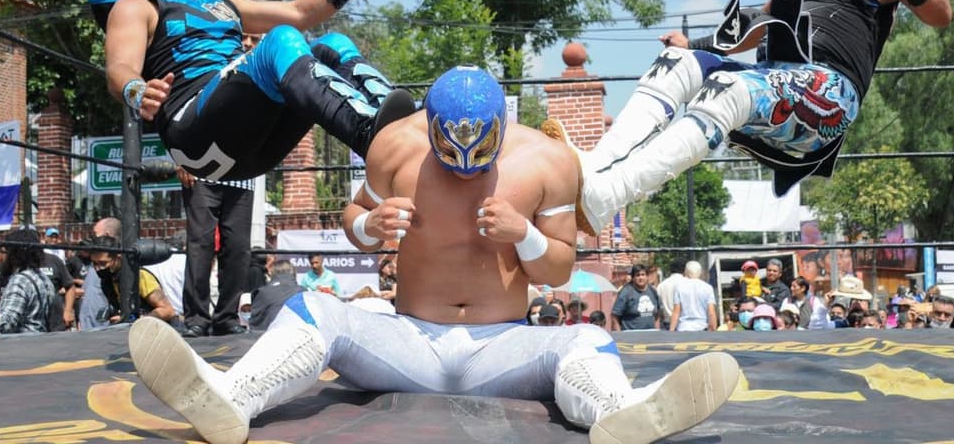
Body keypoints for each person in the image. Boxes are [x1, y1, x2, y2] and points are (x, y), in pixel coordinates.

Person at [129, 66, 739, 444]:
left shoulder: (546, 161)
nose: (468, 164)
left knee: (582, 341)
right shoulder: (396, 146)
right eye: (453, 149)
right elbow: (352, 226)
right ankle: (231, 398)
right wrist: (372, 222)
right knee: (313, 306)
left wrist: (523, 235)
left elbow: (555, 268)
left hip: (502, 347)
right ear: (431, 126)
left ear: (503, 124)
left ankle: (620, 411)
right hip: (408, 343)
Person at [545, 0, 952, 236]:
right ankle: (592, 168)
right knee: (675, 63)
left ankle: (608, 194)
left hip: (828, 93)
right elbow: (753, 25)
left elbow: (940, 14)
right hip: (775, 79)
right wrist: (693, 45)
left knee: (726, 89)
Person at [90, 0, 414, 184]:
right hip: (192, 131)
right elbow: (118, 68)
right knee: (280, 39)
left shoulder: (222, 0)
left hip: (252, 145)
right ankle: (371, 136)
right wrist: (136, 90)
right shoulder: (137, 4)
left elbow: (299, 13)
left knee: (333, 44)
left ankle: (407, 127)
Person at [178, 165, 253, 338]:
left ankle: (227, 318)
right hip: (201, 170)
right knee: (200, 245)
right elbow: (177, 135)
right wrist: (181, 160)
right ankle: (196, 319)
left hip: (243, 175)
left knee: (238, 247)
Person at [91, 238, 177, 324]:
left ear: (118, 257)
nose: (98, 268)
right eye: (94, 263)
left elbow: (167, 310)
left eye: (103, 263)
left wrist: (139, 321)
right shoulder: (107, 281)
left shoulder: (140, 277)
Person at [669, 261, 718, 332]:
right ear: (700, 272)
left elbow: (676, 312)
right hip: (701, 328)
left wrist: (671, 330)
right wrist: (714, 330)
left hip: (683, 328)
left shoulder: (679, 287)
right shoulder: (708, 288)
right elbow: (711, 312)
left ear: (686, 272)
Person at [610, 263, 661, 331]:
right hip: (631, 336)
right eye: (637, 275)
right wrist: (620, 335)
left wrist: (657, 331)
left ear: (647, 277)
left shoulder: (652, 291)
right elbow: (614, 316)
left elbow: (657, 315)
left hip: (650, 336)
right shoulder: (626, 292)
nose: (641, 278)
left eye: (643, 275)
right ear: (633, 278)